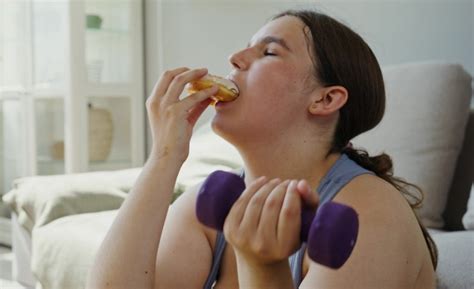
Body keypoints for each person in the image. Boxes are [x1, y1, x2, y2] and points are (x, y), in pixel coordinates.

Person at [86, 9, 438, 289]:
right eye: (246, 48)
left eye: (268, 52)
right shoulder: (208, 204)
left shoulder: (366, 212)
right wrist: (164, 156)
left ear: (325, 98)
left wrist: (263, 267)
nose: (235, 58)